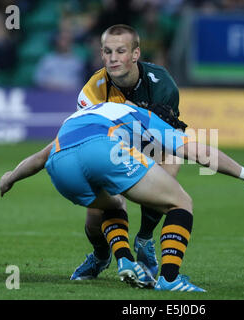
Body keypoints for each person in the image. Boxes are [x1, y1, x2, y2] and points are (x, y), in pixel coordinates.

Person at [0, 101, 244, 292]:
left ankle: (125, 259)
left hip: (61, 167)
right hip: (102, 150)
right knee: (180, 201)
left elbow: (40, 157)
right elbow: (198, 153)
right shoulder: (149, 120)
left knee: (113, 201)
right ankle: (169, 279)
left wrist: (10, 176)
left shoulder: (98, 111)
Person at [73, 24, 184, 281]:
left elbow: (168, 138)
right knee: (93, 220)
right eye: (108, 51)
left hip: (150, 144)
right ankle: (101, 256)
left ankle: (145, 238)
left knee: (170, 163)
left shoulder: (163, 84)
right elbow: (92, 142)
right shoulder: (91, 91)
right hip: (108, 148)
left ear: (135, 55)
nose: (113, 58)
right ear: (101, 54)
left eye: (121, 51)